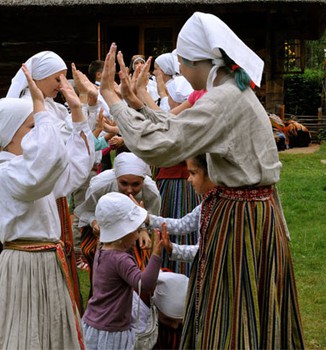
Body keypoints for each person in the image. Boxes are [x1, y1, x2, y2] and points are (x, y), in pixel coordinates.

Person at [99, 12, 304, 349]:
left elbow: (161, 147)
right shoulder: (229, 93)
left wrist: (112, 97)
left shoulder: (224, 99)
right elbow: (180, 128)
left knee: (233, 306)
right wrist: (138, 105)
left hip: (241, 222)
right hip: (251, 217)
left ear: (202, 63)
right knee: (240, 302)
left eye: (182, 62)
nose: (181, 69)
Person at [0, 63, 92, 349]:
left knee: (47, 333)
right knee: (26, 335)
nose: (38, 131)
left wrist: (77, 113)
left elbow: (72, 168)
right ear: (10, 134)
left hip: (44, 263)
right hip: (25, 267)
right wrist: (40, 106)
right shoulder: (10, 173)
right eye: (31, 127)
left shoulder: (31, 170)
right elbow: (49, 158)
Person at [82, 192, 163, 350]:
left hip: (92, 324)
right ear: (124, 232)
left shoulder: (102, 249)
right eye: (136, 229)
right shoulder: (121, 260)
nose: (138, 233)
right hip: (112, 333)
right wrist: (156, 255)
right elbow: (144, 284)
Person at [74, 151, 160, 296]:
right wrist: (94, 222)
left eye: (136, 184)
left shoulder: (150, 192)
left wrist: (143, 229)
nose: (129, 189)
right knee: (104, 274)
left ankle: (134, 304)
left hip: (134, 234)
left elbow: (152, 217)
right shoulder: (100, 186)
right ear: (116, 178)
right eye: (124, 183)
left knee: (136, 267)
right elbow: (84, 211)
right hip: (102, 235)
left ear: (143, 180)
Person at [147, 154, 215, 265]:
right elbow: (182, 224)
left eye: (193, 173)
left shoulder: (218, 208)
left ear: (211, 174)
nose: (188, 178)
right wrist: (147, 218)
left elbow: (208, 252)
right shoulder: (207, 204)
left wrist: (174, 249)